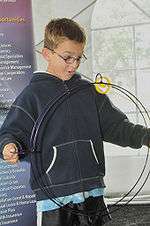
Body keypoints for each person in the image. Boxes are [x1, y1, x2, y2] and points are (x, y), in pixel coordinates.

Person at [0, 18, 150, 226]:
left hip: (92, 190)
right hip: (54, 197)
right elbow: (13, 132)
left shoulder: (89, 92)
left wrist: (145, 136)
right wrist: (9, 145)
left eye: (79, 58)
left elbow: (116, 126)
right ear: (47, 54)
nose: (74, 65)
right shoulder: (32, 96)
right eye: (67, 57)